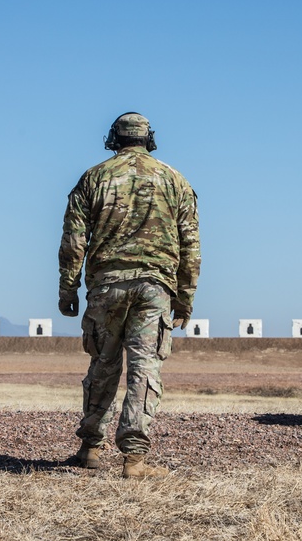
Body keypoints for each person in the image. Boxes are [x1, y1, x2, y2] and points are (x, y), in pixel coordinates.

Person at [59, 112, 201, 478]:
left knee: (102, 367)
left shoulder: (94, 178)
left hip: (106, 286)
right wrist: (185, 298)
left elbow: (74, 241)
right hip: (154, 289)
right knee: (144, 370)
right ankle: (134, 459)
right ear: (148, 138)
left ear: (114, 139)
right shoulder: (175, 181)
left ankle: (90, 447)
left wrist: (68, 289)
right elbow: (191, 247)